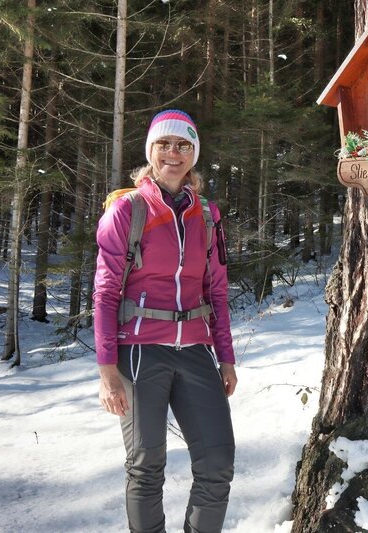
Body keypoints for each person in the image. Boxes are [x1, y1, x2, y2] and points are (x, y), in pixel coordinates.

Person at [94, 109, 237, 533]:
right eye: (163, 144)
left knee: (217, 460)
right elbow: (104, 292)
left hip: (194, 349)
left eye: (183, 145)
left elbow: (217, 292)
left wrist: (225, 358)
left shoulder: (207, 217)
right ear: (150, 152)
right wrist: (106, 371)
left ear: (194, 153)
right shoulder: (128, 210)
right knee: (146, 464)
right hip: (138, 351)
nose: (172, 153)